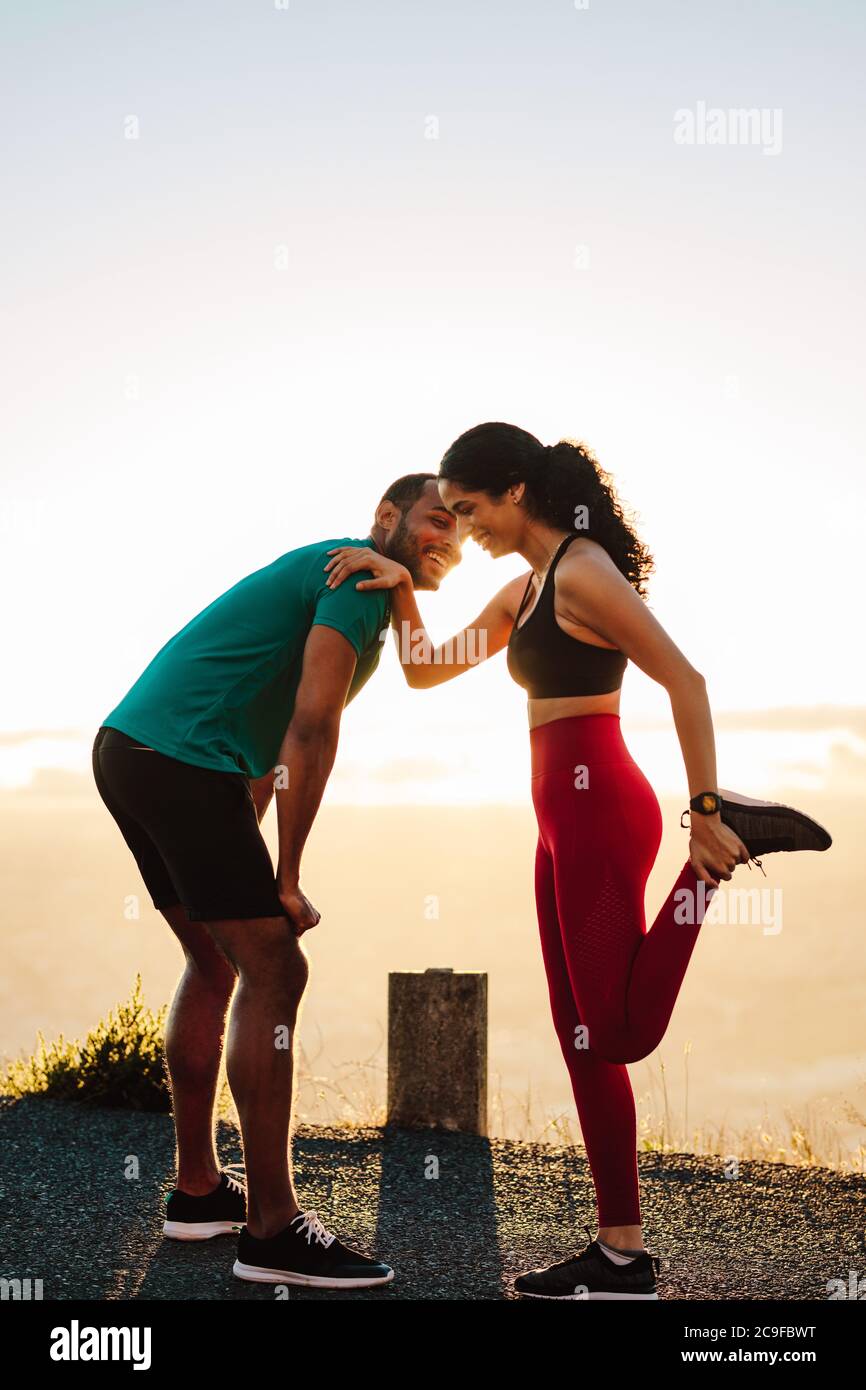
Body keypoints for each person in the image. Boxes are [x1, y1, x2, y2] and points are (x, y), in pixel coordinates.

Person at [324, 421, 832, 1301]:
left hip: (601, 811)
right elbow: (424, 668)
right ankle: (620, 1255)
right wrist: (405, 586)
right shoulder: (525, 591)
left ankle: (715, 862)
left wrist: (705, 811)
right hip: (557, 817)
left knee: (623, 1032)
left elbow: (687, 680)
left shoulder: (583, 571)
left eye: (472, 509)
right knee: (584, 1038)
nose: (465, 527)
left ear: (517, 492)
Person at [91, 472, 460, 1290]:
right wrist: (286, 880)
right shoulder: (357, 575)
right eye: (438, 519)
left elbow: (410, 674)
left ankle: (197, 1193)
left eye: (460, 532)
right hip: (184, 762)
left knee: (219, 958)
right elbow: (311, 725)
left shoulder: (371, 585)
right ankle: (270, 1229)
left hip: (130, 751)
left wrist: (254, 869)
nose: (450, 540)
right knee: (277, 965)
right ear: (387, 518)